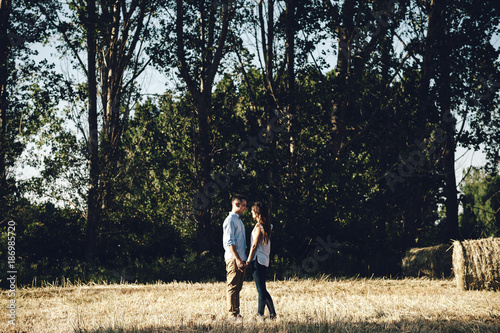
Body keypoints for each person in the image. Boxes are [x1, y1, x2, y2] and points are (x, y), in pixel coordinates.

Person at [246, 201, 276, 320]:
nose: (251, 213)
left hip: (257, 259)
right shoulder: (268, 226)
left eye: (253, 211)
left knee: (260, 289)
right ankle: (271, 314)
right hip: (264, 259)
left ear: (257, 213)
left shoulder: (259, 227)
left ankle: (261, 314)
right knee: (262, 289)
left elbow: (254, 246)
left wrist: (248, 261)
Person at [222, 194, 248, 319]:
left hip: (240, 258)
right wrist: (238, 259)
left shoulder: (238, 220)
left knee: (238, 287)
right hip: (233, 258)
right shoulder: (230, 220)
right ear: (236, 204)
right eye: (243, 205)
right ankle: (232, 314)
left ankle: (236, 312)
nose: (245, 208)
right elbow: (230, 242)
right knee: (232, 286)